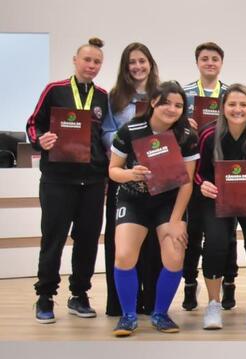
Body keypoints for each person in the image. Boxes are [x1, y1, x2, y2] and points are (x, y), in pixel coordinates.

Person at [26, 37, 109, 324]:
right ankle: (45, 296)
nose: (92, 65)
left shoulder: (103, 96)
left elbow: (107, 137)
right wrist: (41, 141)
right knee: (53, 239)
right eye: (87, 60)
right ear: (75, 60)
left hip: (94, 181)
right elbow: (33, 124)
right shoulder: (55, 90)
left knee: (87, 241)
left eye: (97, 61)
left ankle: (79, 294)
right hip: (58, 180)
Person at [108, 81, 199, 336]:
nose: (172, 109)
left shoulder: (187, 136)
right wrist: (130, 174)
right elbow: (113, 171)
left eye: (179, 105)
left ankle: (160, 313)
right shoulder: (130, 130)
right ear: (153, 103)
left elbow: (187, 184)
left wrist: (175, 221)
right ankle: (128, 316)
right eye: (167, 103)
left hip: (168, 203)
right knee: (124, 255)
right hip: (133, 200)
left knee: (174, 256)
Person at [195, 84, 246, 330]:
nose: (237, 109)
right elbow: (198, 173)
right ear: (223, 107)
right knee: (216, 243)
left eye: (243, 104)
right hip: (218, 199)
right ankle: (213, 304)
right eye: (232, 104)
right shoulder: (209, 135)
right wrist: (204, 185)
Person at [101, 42, 161, 318]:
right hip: (124, 177)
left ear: (150, 63)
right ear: (125, 68)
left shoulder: (161, 95)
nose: (137, 67)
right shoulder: (115, 97)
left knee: (153, 242)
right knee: (121, 241)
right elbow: (107, 132)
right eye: (131, 63)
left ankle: (149, 301)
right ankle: (120, 303)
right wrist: (127, 144)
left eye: (141, 61)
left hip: (157, 177)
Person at [182, 42, 232, 313]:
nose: (210, 63)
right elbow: (171, 130)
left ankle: (228, 284)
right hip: (192, 174)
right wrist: (183, 125)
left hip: (224, 174)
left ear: (221, 62)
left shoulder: (231, 94)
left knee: (225, 236)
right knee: (193, 232)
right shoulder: (186, 94)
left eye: (214, 58)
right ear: (197, 62)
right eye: (204, 59)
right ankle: (190, 284)